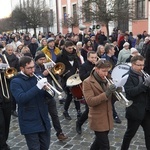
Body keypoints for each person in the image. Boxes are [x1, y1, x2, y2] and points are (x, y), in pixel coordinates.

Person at [10, 56, 52, 150]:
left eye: (33, 67)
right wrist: (38, 87)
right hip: (29, 122)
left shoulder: (38, 76)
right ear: (22, 68)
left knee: (45, 147)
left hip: (43, 120)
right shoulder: (15, 82)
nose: (32, 70)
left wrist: (48, 90)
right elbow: (21, 98)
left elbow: (51, 96)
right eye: (29, 68)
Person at [82, 60, 119, 150]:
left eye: (107, 71)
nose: (106, 74)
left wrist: (116, 93)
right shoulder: (87, 82)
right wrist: (107, 93)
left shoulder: (108, 79)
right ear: (96, 69)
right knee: (105, 146)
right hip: (97, 118)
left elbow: (111, 100)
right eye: (103, 71)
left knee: (98, 143)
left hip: (107, 117)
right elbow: (90, 101)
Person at [34, 51, 68, 141]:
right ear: (37, 60)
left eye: (44, 59)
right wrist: (43, 74)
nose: (43, 61)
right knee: (42, 116)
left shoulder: (47, 65)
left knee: (54, 115)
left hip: (49, 94)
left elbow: (57, 78)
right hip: (40, 96)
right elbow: (35, 79)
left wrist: (55, 72)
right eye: (41, 60)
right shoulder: (34, 68)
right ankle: (41, 134)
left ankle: (59, 132)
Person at [121, 55, 150, 150]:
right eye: (139, 65)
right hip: (135, 111)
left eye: (143, 65)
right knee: (130, 134)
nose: (141, 67)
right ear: (133, 65)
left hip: (146, 110)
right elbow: (131, 93)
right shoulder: (127, 76)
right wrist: (145, 85)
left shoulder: (144, 74)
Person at [56, 41, 82, 120]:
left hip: (75, 78)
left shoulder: (75, 55)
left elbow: (78, 64)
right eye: (69, 48)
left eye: (72, 48)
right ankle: (65, 111)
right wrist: (65, 74)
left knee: (77, 95)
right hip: (66, 79)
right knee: (70, 95)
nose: (71, 50)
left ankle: (78, 111)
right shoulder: (60, 56)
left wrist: (79, 70)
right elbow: (58, 69)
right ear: (65, 47)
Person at [76, 51, 97, 134]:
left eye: (95, 57)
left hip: (96, 87)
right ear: (88, 57)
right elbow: (82, 77)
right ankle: (79, 123)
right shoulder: (83, 66)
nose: (94, 59)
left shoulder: (98, 64)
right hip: (88, 89)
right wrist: (92, 70)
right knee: (89, 109)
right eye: (92, 57)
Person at [101, 44, 121, 124]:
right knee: (110, 97)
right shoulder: (104, 58)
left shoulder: (113, 58)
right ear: (109, 50)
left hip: (114, 79)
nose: (115, 50)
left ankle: (110, 111)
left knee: (113, 98)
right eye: (113, 49)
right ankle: (114, 115)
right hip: (107, 80)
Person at [0, 55, 11, 150]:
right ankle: (2, 145)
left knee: (7, 123)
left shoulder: (5, 69)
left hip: (7, 100)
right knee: (1, 124)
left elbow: (12, 79)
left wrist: (6, 72)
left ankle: (4, 142)